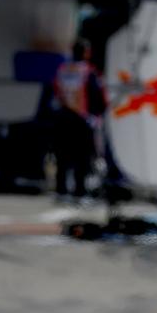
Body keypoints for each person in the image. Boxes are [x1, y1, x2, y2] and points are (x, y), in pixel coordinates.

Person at [49, 39, 105, 199]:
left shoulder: (62, 69)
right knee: (83, 157)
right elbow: (97, 95)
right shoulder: (88, 71)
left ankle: (61, 189)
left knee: (63, 155)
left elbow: (54, 92)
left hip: (63, 117)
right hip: (82, 118)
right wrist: (97, 114)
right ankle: (79, 191)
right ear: (86, 53)